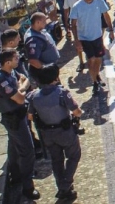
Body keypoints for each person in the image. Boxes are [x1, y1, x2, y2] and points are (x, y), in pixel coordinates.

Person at [26, 64, 82, 202]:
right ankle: (65, 185)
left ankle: (64, 189)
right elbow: (76, 111)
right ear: (55, 77)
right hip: (65, 132)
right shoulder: (62, 92)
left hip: (47, 134)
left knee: (56, 161)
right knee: (74, 156)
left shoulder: (33, 95)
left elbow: (30, 116)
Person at [0, 49, 39, 201]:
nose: (19, 60)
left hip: (20, 115)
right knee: (27, 151)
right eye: (16, 58)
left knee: (14, 148)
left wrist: (21, 87)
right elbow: (19, 99)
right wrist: (21, 89)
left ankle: (16, 175)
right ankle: (28, 186)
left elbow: (26, 79)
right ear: (8, 62)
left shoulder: (11, 72)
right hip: (14, 120)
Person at [70, 0, 114, 91]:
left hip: (97, 36)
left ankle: (97, 75)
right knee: (91, 60)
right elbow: (73, 24)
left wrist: (111, 30)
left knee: (98, 59)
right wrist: (76, 40)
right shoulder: (77, 6)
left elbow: (106, 15)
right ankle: (94, 81)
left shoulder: (99, 2)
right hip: (85, 38)